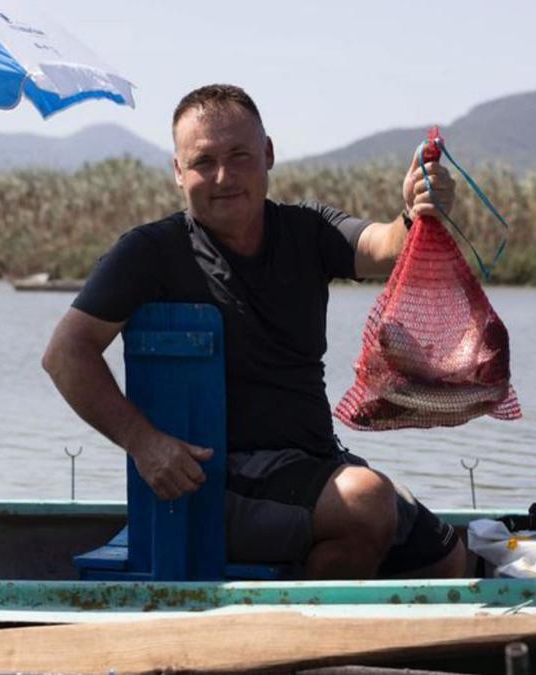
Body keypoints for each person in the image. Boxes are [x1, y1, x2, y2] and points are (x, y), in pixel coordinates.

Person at [43, 84, 464, 579]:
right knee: (367, 502)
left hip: (311, 463)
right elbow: (66, 354)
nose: (223, 176)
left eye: (239, 155)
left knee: (449, 560)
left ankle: (319, 617)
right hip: (212, 483)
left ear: (267, 154)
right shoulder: (147, 253)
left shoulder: (308, 231)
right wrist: (145, 443)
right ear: (179, 173)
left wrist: (416, 213)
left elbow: (385, 247)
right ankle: (303, 649)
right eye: (203, 161)